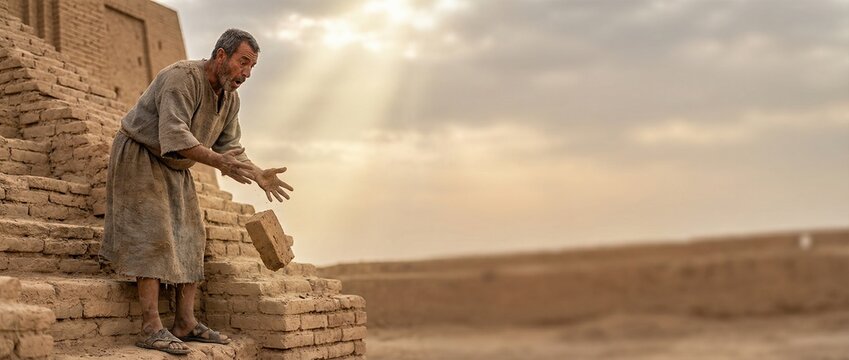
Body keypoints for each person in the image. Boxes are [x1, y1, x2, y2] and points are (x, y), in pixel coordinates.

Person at [99, 29, 292, 355]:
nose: (246, 73)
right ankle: (150, 327)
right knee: (154, 233)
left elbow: (230, 147)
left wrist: (258, 174)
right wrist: (218, 161)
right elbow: (174, 134)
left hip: (177, 164)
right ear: (221, 56)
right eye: (242, 62)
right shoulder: (181, 78)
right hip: (141, 154)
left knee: (192, 234)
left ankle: (185, 323)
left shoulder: (230, 99)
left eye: (252, 67)